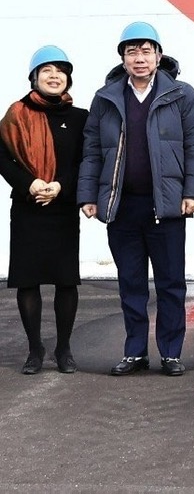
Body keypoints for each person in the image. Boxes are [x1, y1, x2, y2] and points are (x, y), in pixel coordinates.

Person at [78, 20, 194, 376]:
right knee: (131, 284)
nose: (139, 58)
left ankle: (171, 353)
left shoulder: (181, 95)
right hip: (122, 207)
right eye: (132, 52)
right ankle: (135, 352)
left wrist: (193, 193)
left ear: (159, 56)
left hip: (165, 207)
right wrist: (88, 195)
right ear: (122, 58)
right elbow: (92, 150)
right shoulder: (106, 98)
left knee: (171, 284)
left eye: (146, 51)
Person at [0, 45, 89, 374]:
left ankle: (64, 348)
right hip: (28, 208)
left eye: (60, 71)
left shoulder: (80, 118)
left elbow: (86, 161)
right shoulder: (16, 114)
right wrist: (30, 184)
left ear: (68, 79)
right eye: (46, 71)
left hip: (62, 209)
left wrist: (61, 186)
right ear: (34, 77)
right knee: (28, 281)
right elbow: (3, 158)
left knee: (66, 281)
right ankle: (34, 349)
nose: (54, 76)